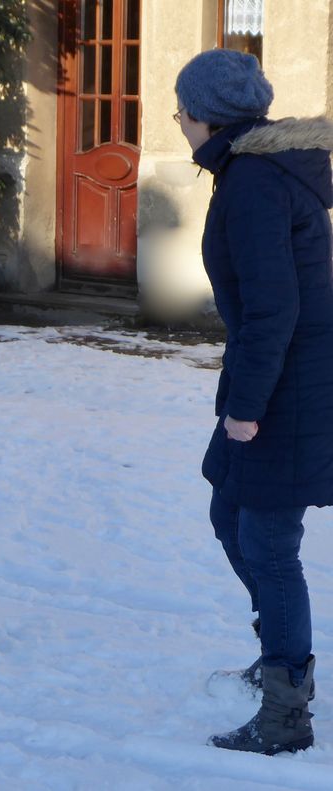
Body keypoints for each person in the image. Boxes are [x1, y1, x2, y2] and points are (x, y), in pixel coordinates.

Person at [175, 48, 333, 755]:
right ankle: (278, 643)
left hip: (286, 389)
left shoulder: (254, 184)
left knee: (268, 544)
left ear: (204, 115)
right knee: (228, 510)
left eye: (180, 108)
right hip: (278, 377)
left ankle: (285, 710)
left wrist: (246, 407)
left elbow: (273, 309)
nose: (177, 120)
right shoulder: (252, 172)